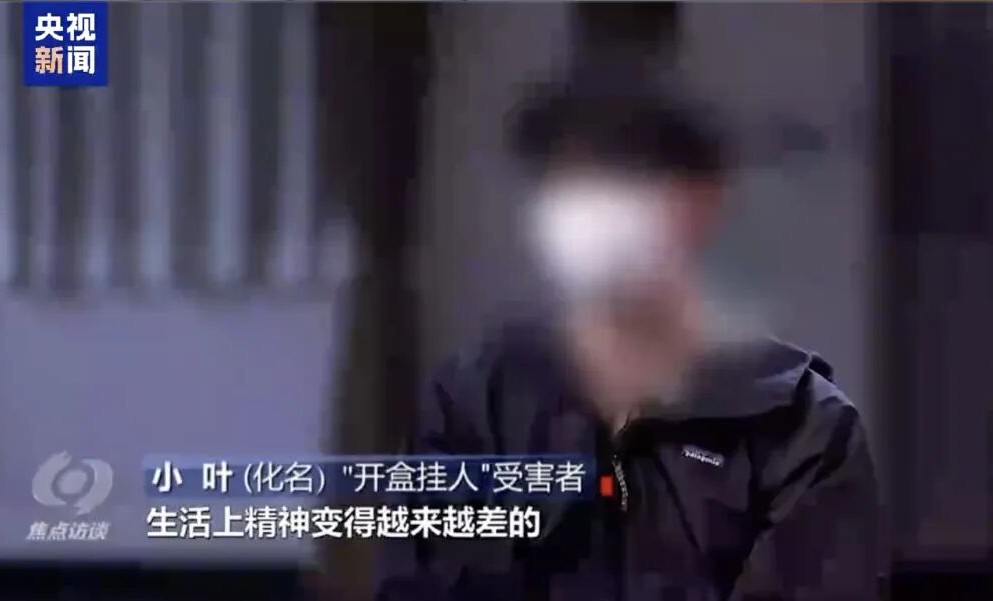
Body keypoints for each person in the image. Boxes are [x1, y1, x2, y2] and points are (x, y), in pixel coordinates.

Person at [375, 69, 881, 601]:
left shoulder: (799, 426)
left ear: (701, 200)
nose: (587, 211)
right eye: (565, 183)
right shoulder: (473, 406)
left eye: (617, 179)